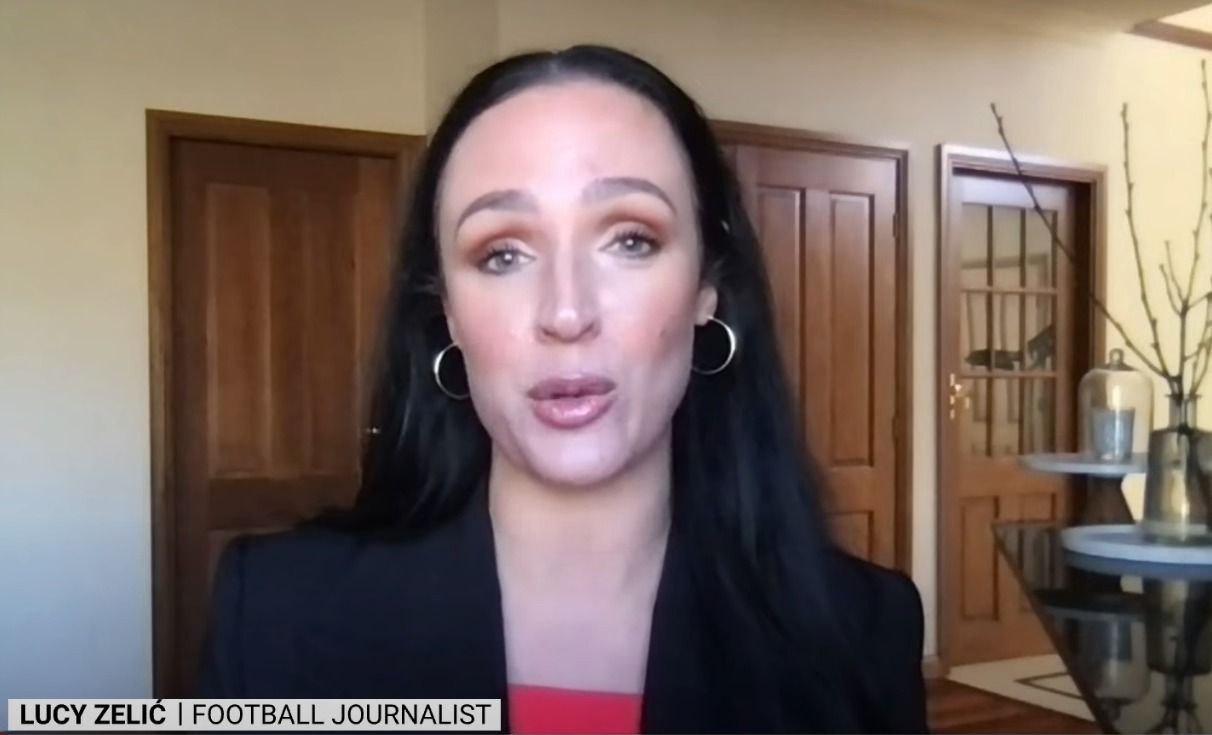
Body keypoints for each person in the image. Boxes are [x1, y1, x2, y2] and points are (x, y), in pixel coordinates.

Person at [195, 44, 928, 734]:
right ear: (447, 310)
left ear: (707, 287)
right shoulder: (274, 614)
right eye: (502, 254)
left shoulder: (863, 632)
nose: (567, 313)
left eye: (631, 240)